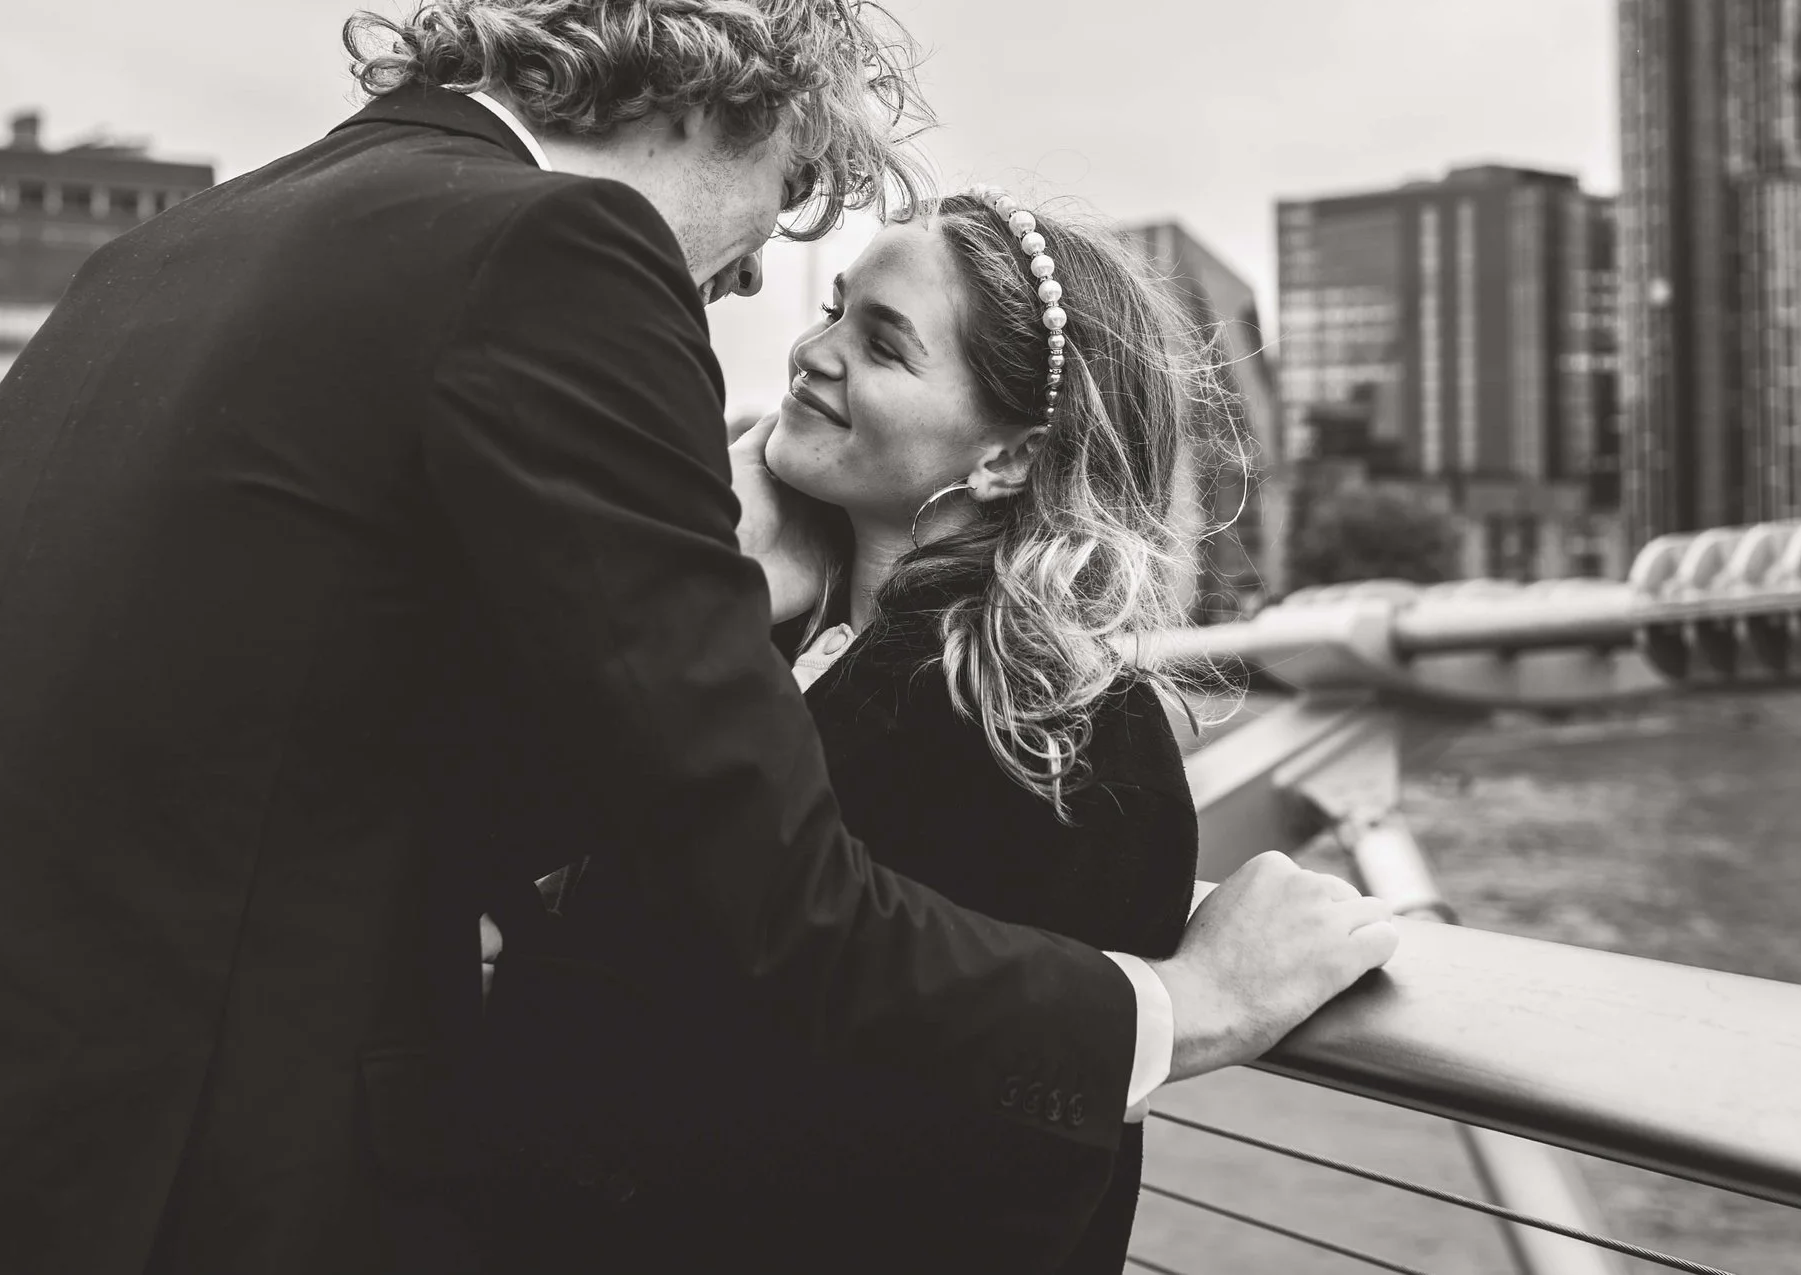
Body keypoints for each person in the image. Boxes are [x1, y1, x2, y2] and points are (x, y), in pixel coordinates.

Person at [0, 0, 1396, 1275]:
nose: (746, 287)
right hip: (196, 1193)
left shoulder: (170, 259)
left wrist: (733, 593)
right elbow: (771, 899)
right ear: (727, 97)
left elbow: (320, 750)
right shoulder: (557, 251)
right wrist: (1175, 1009)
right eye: (785, 206)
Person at [476, 189, 1236, 1272]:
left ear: (1007, 458)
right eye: (835, 308)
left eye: (882, 343)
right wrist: (717, 565)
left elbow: (1008, 1167)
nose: (811, 352)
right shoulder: (752, 635)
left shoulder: (1068, 734)